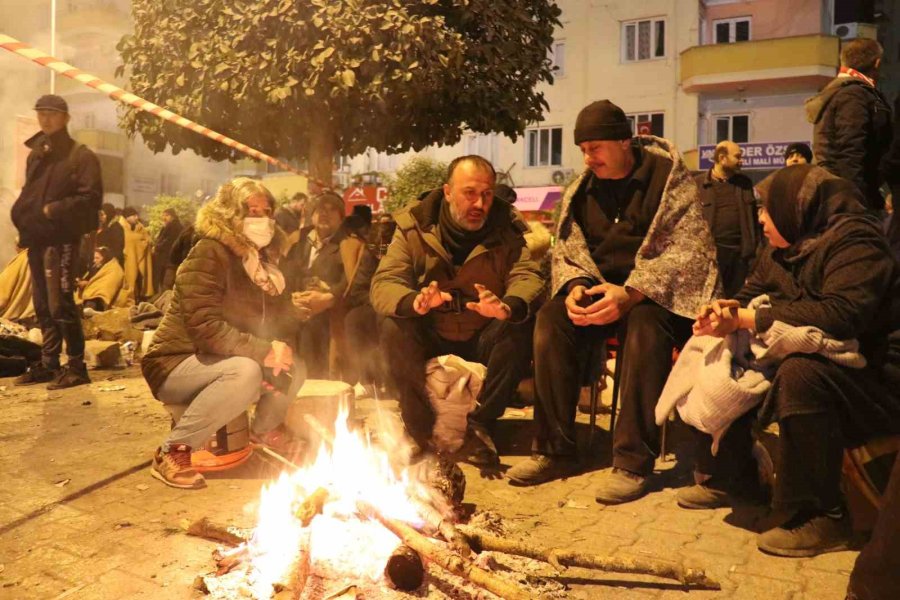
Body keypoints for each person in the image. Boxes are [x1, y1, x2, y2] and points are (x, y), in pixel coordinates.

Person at [506, 100, 718, 499]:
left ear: (625, 142)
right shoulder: (582, 190)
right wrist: (575, 287)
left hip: (656, 297)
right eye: (583, 150)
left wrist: (633, 292)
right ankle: (555, 449)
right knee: (551, 319)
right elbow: (569, 249)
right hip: (600, 291)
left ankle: (633, 462)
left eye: (596, 148)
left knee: (645, 326)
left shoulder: (669, 180)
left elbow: (689, 251)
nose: (588, 159)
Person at [690, 165, 900, 556]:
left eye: (766, 209)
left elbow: (840, 315)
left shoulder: (856, 243)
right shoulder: (783, 249)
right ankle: (734, 480)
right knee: (726, 357)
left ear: (795, 207)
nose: (760, 219)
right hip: (836, 361)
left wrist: (753, 318)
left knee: (801, 373)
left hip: (879, 377)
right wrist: (722, 314)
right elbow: (750, 293)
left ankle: (823, 516)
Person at [371, 155, 544, 465]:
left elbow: (527, 276)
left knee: (519, 324)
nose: (479, 203)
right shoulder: (413, 225)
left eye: (487, 194)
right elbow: (385, 282)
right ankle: (418, 429)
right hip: (432, 330)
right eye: (470, 193)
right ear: (448, 191)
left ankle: (481, 428)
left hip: (482, 332)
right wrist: (415, 301)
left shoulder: (507, 229)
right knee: (392, 327)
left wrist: (507, 306)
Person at [142, 177, 307, 489]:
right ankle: (172, 452)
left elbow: (274, 322)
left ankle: (260, 435)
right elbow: (205, 326)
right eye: (250, 211)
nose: (260, 220)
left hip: (220, 357)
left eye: (266, 211)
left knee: (293, 365)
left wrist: (282, 341)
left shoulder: (262, 265)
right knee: (244, 372)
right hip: (176, 361)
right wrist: (263, 350)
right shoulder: (209, 252)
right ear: (231, 214)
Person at [10, 94, 102, 389]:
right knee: (41, 304)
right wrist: (25, 228)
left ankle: (76, 365)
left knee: (61, 303)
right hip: (38, 238)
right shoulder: (38, 153)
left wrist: (55, 210)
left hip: (62, 239)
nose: (45, 119)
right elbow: (30, 195)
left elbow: (90, 199)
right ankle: (49, 364)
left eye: (52, 113)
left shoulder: (80, 155)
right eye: (41, 113)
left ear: (65, 118)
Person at [805, 38, 893, 211]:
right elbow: (850, 150)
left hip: (844, 192)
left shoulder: (842, 92)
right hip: (851, 196)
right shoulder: (854, 94)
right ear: (877, 63)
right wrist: (856, 201)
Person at [284, 192, 348, 378]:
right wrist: (292, 298)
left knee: (313, 327)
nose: (324, 214)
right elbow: (285, 273)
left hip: (330, 312)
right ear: (312, 214)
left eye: (331, 210)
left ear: (341, 217)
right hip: (296, 305)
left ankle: (315, 381)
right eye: (320, 209)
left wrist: (329, 298)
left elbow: (356, 280)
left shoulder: (349, 244)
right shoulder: (298, 240)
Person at [695, 140, 759, 297]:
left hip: (739, 259)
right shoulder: (697, 185)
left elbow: (753, 220)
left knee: (735, 303)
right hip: (709, 258)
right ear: (722, 158)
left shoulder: (745, 184)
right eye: (737, 156)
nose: (741, 161)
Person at [76, 246, 125, 312]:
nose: (94, 260)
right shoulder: (97, 268)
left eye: (97, 258)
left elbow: (106, 286)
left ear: (105, 258)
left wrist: (89, 285)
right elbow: (92, 280)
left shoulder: (114, 269)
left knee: (95, 297)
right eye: (94, 258)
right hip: (92, 294)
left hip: (101, 299)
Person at [121, 206, 154, 302]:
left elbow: (148, 239)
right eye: (134, 216)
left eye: (137, 215)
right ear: (127, 217)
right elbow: (130, 239)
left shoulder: (140, 227)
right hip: (127, 260)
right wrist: (140, 239)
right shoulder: (120, 228)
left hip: (141, 259)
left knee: (140, 281)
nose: (136, 218)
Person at [0, 244, 35, 322]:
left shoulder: (23, 259)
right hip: (40, 321)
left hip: (16, 322)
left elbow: (2, 298)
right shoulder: (50, 257)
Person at [152, 208, 183, 292]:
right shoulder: (171, 226)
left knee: (164, 282)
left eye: (166, 215)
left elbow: (168, 242)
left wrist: (157, 247)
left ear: (172, 216)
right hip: (169, 259)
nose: (164, 218)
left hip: (167, 259)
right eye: (163, 216)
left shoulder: (173, 226)